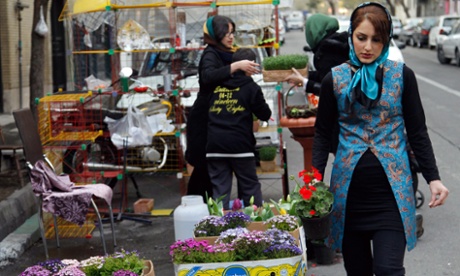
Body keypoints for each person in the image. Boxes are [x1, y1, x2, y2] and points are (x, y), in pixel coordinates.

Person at [312, 3, 449, 275]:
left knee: (389, 270)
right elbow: (322, 132)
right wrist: (314, 177)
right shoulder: (334, 80)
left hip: (394, 194)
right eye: (361, 37)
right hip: (348, 196)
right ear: (351, 35)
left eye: (377, 39)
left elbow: (418, 131)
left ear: (386, 41)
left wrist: (433, 178)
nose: (368, 46)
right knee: (358, 271)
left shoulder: (402, 76)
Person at [185, 15, 260, 202]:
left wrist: (241, 70)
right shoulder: (211, 54)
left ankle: (212, 214)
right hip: (205, 122)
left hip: (217, 120)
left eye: (232, 33)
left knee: (214, 174)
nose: (230, 37)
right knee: (204, 171)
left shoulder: (224, 53)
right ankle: (200, 211)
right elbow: (208, 76)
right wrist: (235, 66)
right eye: (225, 33)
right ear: (215, 34)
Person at [206, 48, 272, 210]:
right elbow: (264, 114)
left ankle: (217, 228)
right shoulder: (251, 88)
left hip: (215, 146)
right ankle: (254, 228)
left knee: (219, 192)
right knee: (250, 188)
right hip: (241, 146)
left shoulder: (215, 85)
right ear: (252, 67)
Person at [284, 13, 349, 96]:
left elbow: (329, 90)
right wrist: (305, 75)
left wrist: (304, 82)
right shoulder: (339, 42)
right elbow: (326, 76)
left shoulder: (326, 51)